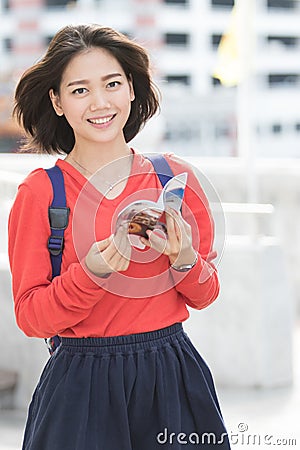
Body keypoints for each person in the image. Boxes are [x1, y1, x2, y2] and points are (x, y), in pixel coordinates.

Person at [8, 24, 231, 450]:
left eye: (112, 83)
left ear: (131, 88)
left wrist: (184, 260)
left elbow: (206, 294)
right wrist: (90, 274)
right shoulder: (41, 195)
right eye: (79, 90)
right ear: (56, 101)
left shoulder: (174, 180)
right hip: (79, 385)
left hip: (173, 375)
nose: (100, 102)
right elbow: (32, 317)